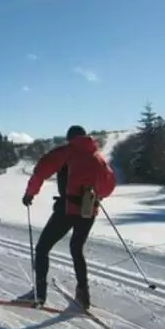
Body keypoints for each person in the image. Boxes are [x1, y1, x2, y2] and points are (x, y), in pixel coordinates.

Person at [17, 125, 117, 309]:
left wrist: (30, 194)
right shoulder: (98, 156)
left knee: (42, 248)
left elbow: (41, 170)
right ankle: (83, 294)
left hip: (68, 209)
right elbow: (109, 185)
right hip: (89, 210)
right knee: (76, 248)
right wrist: (96, 194)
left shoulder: (66, 152)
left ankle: (39, 294)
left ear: (70, 138)